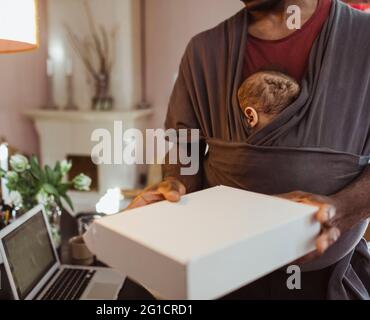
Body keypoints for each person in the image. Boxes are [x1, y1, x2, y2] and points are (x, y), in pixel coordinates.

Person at [128, 0, 370, 299]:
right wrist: (175, 185)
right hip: (217, 267)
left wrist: (342, 209)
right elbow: (185, 147)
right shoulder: (205, 50)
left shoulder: (363, 41)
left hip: (323, 280)